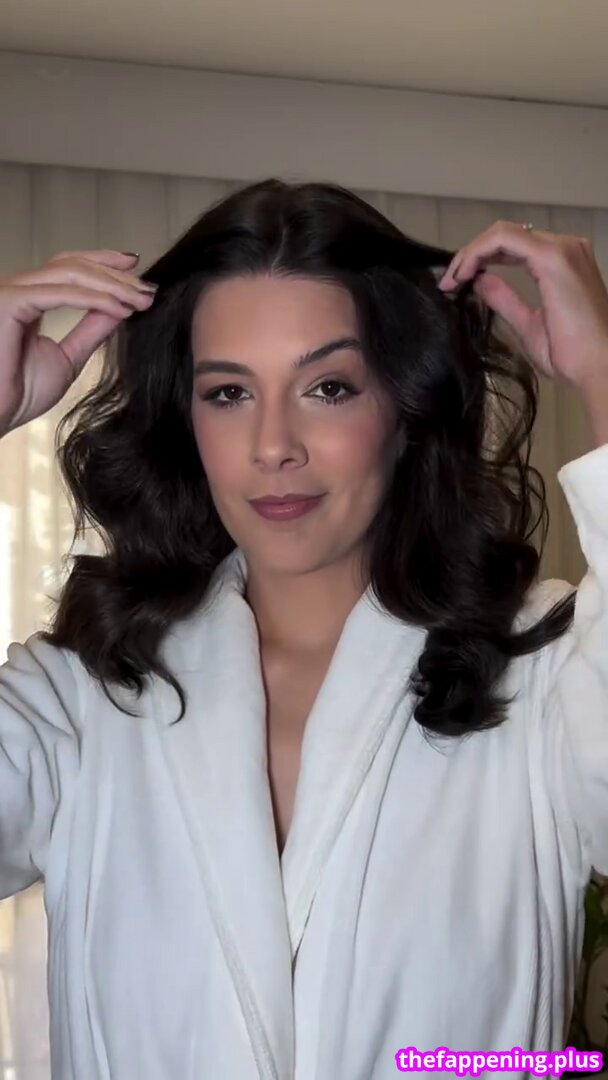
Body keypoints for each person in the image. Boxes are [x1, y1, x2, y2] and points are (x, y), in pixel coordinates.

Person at [0, 178, 607, 1080]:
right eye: (227, 393)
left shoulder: (544, 672)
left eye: (328, 387)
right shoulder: (84, 693)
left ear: (405, 410)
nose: (273, 444)